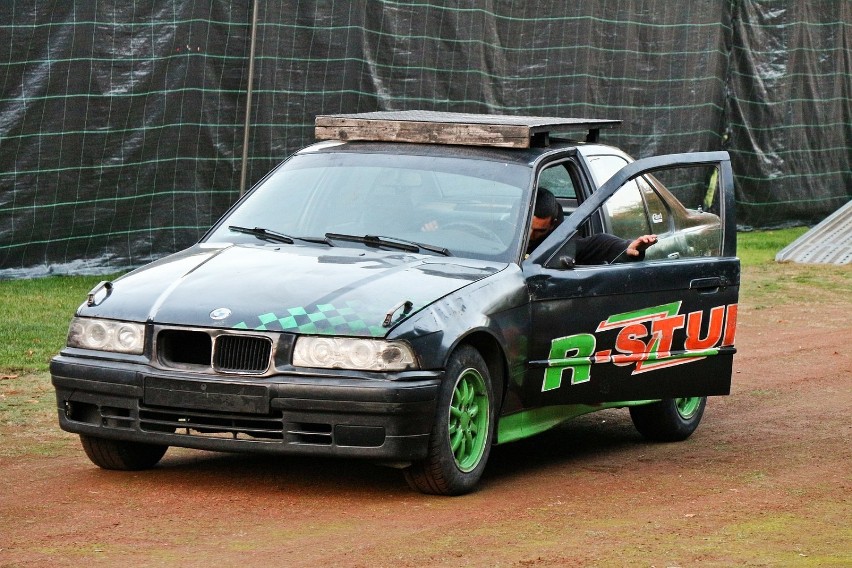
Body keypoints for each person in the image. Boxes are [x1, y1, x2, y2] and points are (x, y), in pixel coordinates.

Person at [527, 187, 657, 264]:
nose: (531, 236)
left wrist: (626, 248)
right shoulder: (506, 230)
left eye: (539, 231)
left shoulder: (563, 242)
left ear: (552, 224)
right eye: (527, 229)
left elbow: (599, 244)